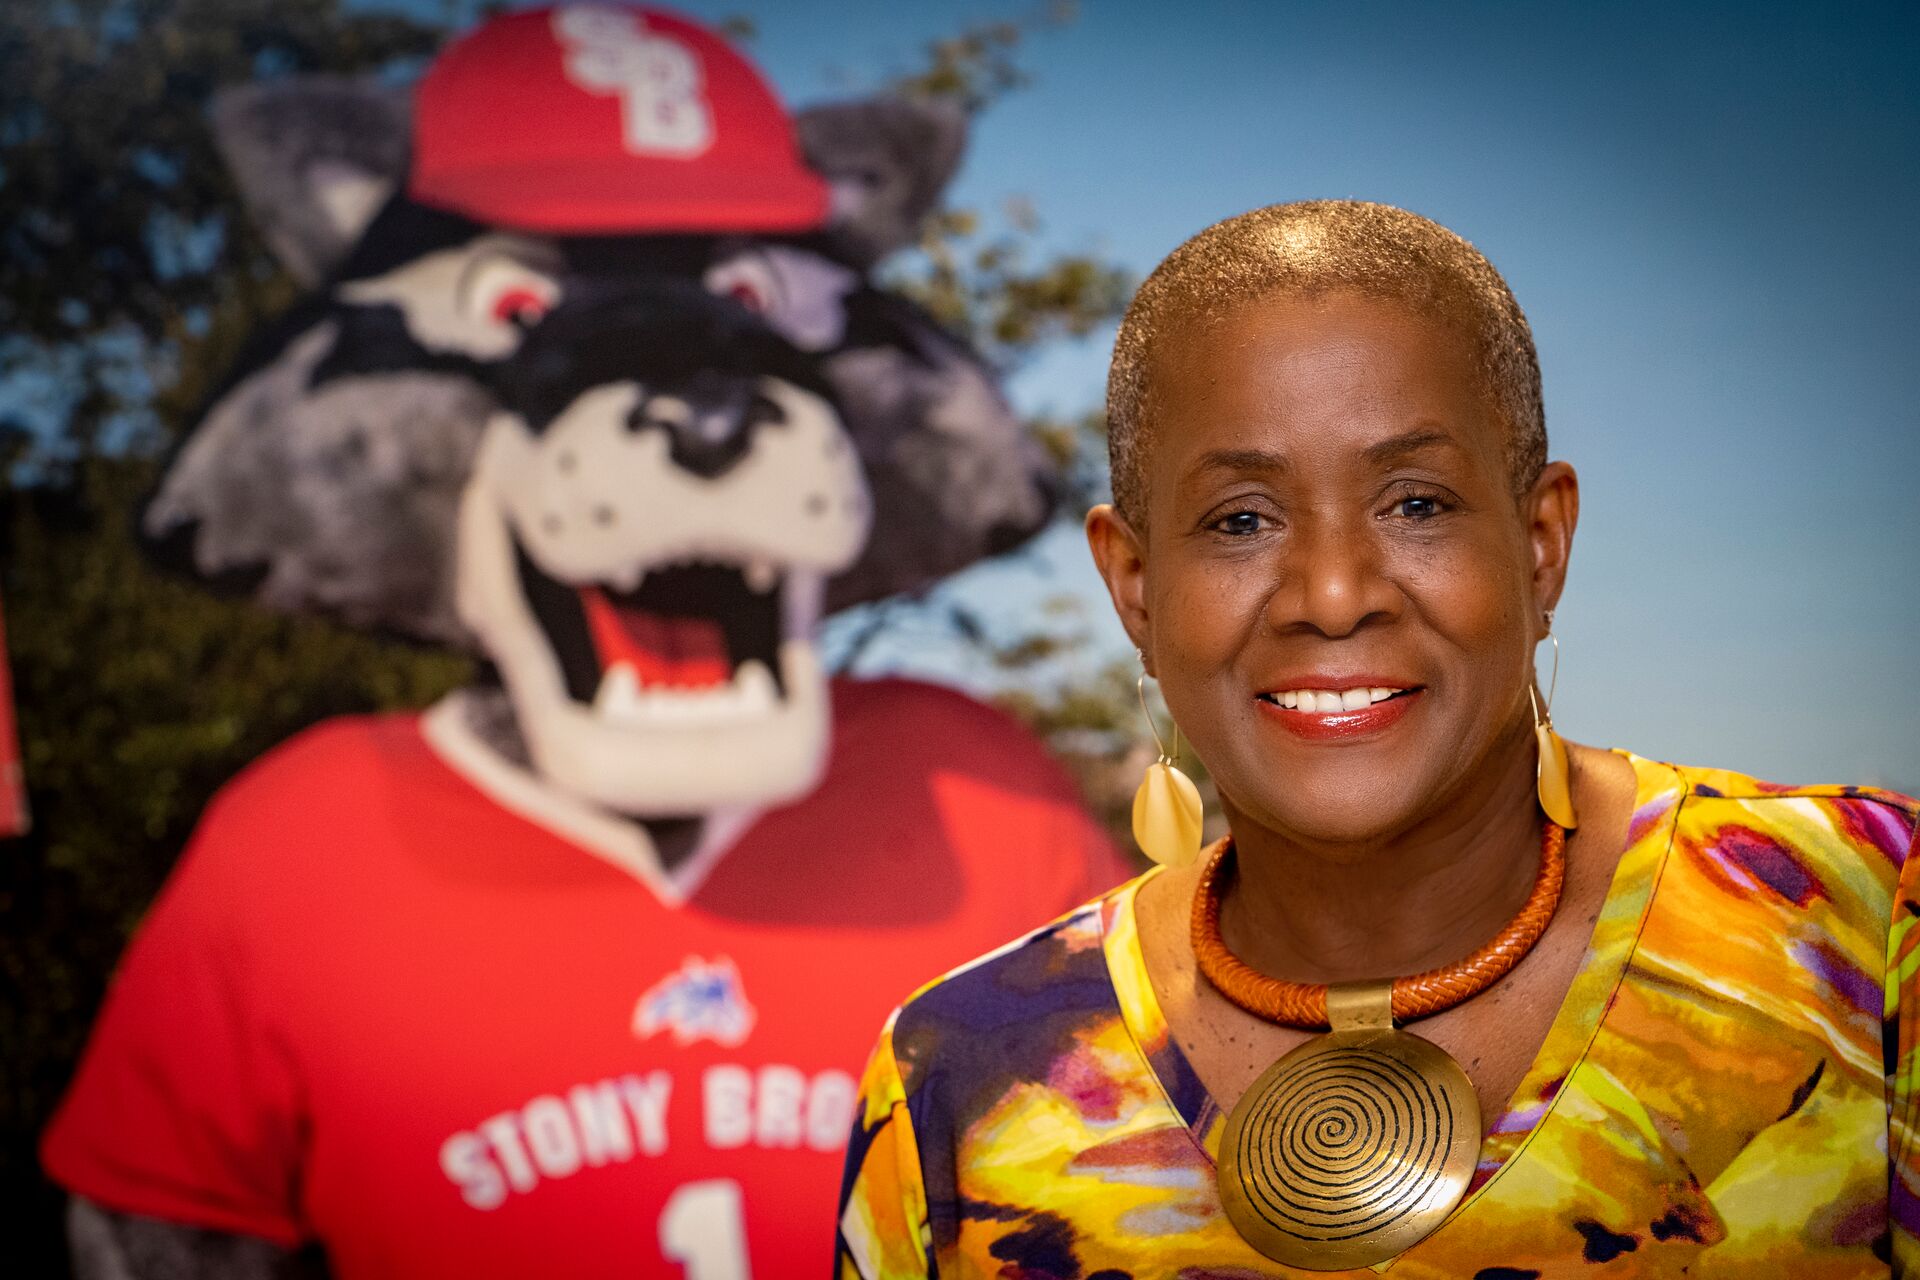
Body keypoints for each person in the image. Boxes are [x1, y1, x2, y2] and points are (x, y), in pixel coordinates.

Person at [834, 200, 1920, 1277]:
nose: (1335, 593)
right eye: (1241, 520)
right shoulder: (962, 1073)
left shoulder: (1865, 927)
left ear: (1541, 547)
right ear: (1135, 586)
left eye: (1416, 503)